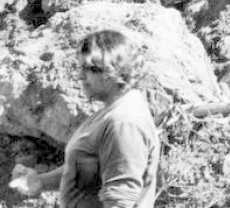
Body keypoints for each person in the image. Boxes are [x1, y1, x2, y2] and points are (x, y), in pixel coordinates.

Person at [12, 30, 160, 208]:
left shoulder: (124, 122)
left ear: (115, 70)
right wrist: (40, 181)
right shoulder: (111, 112)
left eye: (91, 69)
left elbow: (120, 200)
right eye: (80, 67)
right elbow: (85, 170)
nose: (81, 76)